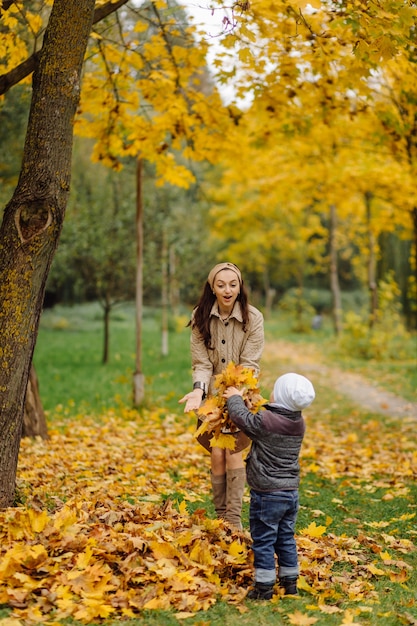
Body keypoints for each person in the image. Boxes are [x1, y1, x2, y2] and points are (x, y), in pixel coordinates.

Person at [179, 262, 264, 530]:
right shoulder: (199, 317)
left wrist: (236, 394)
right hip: (213, 398)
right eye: (221, 285)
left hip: (242, 393)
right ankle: (221, 517)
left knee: (233, 451)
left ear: (240, 288)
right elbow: (202, 364)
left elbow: (250, 362)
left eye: (233, 284)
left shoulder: (254, 318)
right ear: (212, 288)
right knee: (217, 453)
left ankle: (234, 521)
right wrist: (198, 390)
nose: (227, 290)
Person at [223, 372, 315, 599]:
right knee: (285, 537)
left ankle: (263, 588)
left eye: (275, 390)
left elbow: (242, 419)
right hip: (290, 493)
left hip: (267, 494)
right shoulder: (298, 423)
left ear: (281, 397)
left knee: (264, 540)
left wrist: (234, 397)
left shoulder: (266, 422)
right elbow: (260, 421)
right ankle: (290, 581)